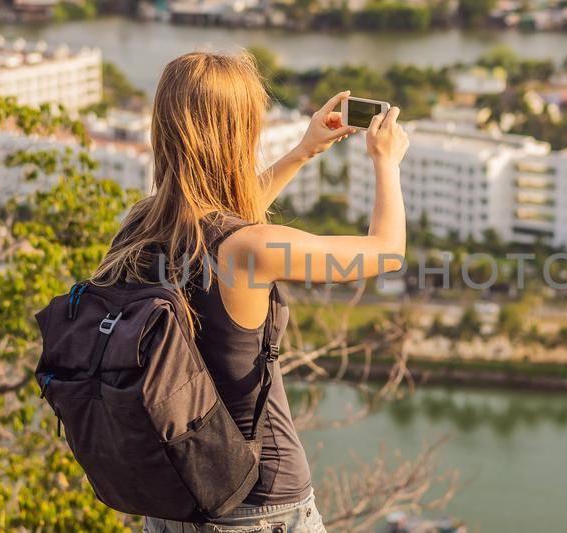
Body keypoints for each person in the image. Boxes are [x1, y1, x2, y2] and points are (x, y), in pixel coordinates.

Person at [88, 51, 408, 533]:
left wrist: (304, 151)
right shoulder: (252, 248)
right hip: (263, 507)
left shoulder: (139, 226)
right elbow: (386, 251)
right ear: (239, 135)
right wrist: (387, 163)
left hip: (175, 504)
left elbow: (218, 217)